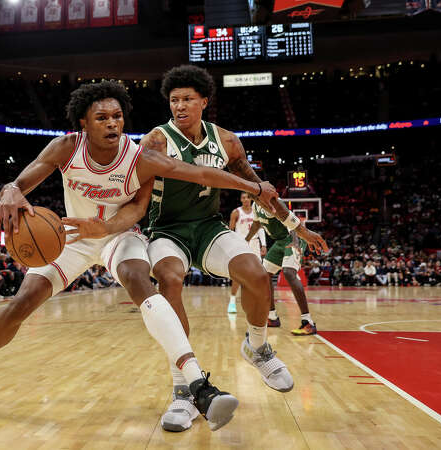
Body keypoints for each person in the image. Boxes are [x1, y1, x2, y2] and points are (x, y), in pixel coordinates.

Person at [0, 81, 279, 430]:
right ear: (83, 123)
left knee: (140, 280)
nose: (112, 124)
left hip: (119, 235)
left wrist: (253, 186)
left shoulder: (139, 158)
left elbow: (183, 183)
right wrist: (9, 191)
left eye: (117, 117)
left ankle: (198, 384)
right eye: (102, 118)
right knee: (21, 302)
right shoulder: (65, 148)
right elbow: (20, 183)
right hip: (71, 237)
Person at [139, 65, 328, 432]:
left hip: (209, 228)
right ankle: (183, 390)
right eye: (174, 100)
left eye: (187, 99)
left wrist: (296, 227)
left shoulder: (226, 141)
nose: (179, 106)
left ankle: (257, 347)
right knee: (170, 279)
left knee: (256, 273)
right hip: (166, 230)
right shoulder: (156, 141)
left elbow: (262, 188)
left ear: (204, 101)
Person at [246, 203, 317, 335]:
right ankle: (272, 317)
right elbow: (256, 225)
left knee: (288, 272)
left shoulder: (271, 201)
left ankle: (308, 322)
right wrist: (245, 241)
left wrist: (296, 243)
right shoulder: (255, 205)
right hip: (279, 242)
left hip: (294, 238)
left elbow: (293, 222)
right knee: (264, 275)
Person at [227, 192, 266, 313]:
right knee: (238, 275)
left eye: (248, 197)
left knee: (258, 273)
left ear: (251, 199)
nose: (246, 199)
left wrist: (263, 244)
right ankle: (232, 301)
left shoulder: (256, 211)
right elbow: (231, 230)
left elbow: (260, 229)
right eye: (243, 197)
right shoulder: (236, 212)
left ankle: (256, 300)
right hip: (241, 244)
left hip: (254, 243)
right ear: (240, 199)